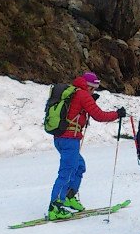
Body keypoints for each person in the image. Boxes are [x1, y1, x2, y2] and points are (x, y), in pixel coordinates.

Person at [47, 71, 125, 220]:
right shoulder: (82, 95)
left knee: (79, 166)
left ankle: (69, 196)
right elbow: (99, 116)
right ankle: (55, 207)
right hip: (69, 139)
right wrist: (117, 114)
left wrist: (90, 100)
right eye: (94, 88)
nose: (94, 91)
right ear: (89, 86)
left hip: (61, 138)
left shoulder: (74, 92)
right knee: (67, 172)